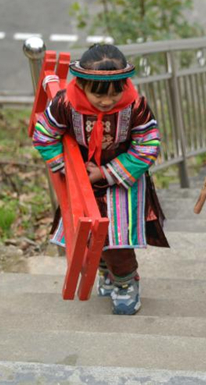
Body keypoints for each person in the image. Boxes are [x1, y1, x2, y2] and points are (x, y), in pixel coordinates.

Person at [33, 44, 168, 315]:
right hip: (82, 178)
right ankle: (107, 272)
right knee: (90, 234)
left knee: (116, 236)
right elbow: (44, 135)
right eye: (98, 94)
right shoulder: (65, 103)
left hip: (122, 180)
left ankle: (126, 282)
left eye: (115, 92)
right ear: (81, 84)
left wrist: (106, 172)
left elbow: (148, 144)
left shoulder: (135, 105)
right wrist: (71, 170)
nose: (107, 101)